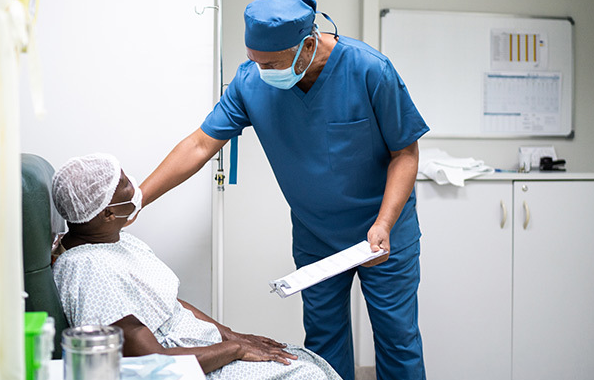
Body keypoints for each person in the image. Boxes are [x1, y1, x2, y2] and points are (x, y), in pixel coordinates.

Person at [134, 1, 429, 379]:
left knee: (397, 340)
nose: (262, 71)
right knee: (324, 342)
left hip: (384, 229)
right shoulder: (250, 81)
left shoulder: (369, 69)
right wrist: (137, 198)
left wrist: (385, 223)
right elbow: (199, 145)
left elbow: (405, 151)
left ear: (308, 44)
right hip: (316, 234)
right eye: (255, 60)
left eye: (271, 63)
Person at [50, 153, 341, 380]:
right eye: (125, 184)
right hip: (181, 367)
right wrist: (234, 349)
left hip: (200, 346)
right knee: (305, 374)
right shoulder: (87, 269)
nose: (135, 186)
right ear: (109, 213)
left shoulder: (114, 241)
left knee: (302, 359)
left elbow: (168, 304)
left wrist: (230, 334)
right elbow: (152, 362)